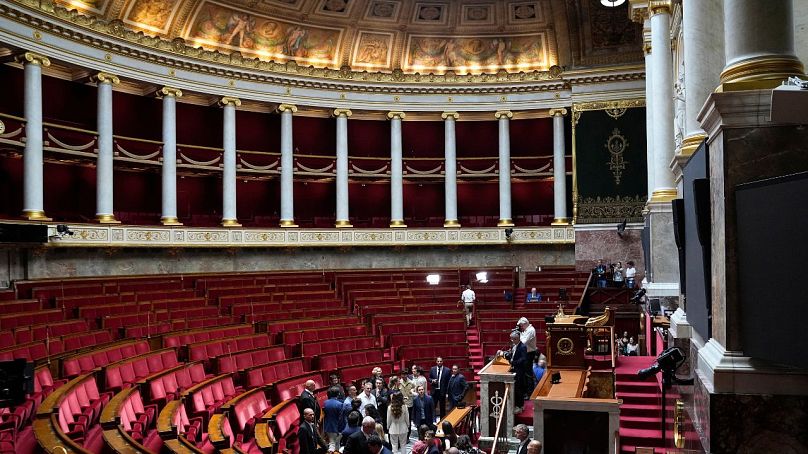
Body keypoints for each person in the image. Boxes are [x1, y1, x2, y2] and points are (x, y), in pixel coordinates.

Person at [499, 331, 529, 414]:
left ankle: (520, 406)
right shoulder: (515, 345)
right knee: (516, 388)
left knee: (519, 388)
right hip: (515, 369)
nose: (511, 340)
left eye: (512, 339)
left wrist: (513, 362)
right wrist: (505, 354)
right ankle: (518, 405)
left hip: (519, 371)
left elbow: (523, 359)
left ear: (516, 339)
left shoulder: (522, 347)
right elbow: (513, 354)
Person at [323, 385, 345, 451]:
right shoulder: (339, 404)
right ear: (338, 394)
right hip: (336, 428)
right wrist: (341, 429)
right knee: (335, 444)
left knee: (332, 443)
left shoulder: (325, 403)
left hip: (328, 426)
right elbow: (341, 418)